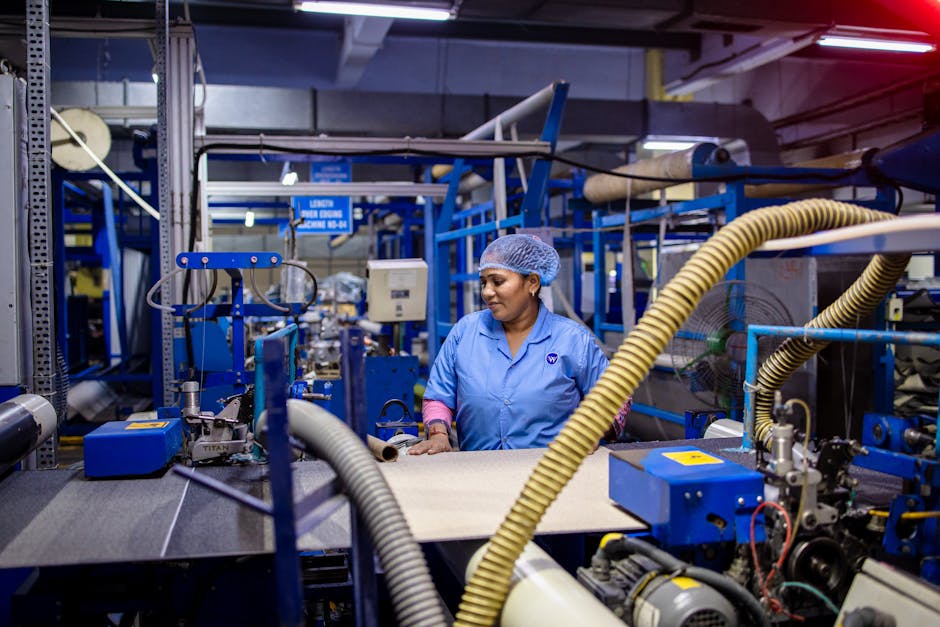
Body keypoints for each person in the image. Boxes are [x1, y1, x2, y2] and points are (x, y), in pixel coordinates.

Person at [408, 234, 630, 455]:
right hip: (478, 473)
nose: (486, 292)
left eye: (498, 281)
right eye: (484, 282)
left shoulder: (572, 339)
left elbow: (616, 397)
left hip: (550, 474)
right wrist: (438, 434)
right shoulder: (465, 332)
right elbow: (438, 396)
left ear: (532, 282)